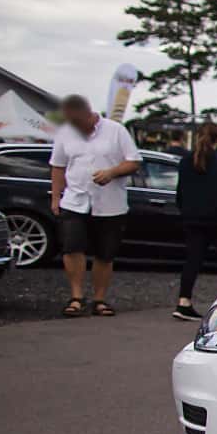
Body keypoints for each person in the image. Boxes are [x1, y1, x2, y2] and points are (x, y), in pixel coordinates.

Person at [48, 94, 140, 317]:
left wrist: (112, 172)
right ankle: (76, 297)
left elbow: (134, 161)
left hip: (110, 204)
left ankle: (99, 299)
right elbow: (58, 166)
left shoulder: (116, 130)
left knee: (105, 254)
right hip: (74, 200)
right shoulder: (65, 134)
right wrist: (55, 197)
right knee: (72, 248)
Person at [173, 121, 217, 319]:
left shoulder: (186, 162)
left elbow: (180, 193)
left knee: (192, 260)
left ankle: (183, 301)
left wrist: (185, 211)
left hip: (193, 218)